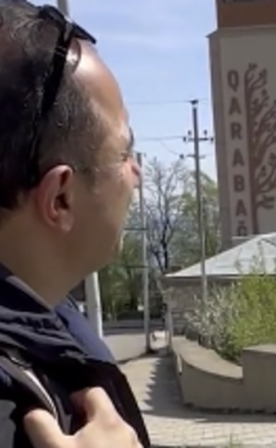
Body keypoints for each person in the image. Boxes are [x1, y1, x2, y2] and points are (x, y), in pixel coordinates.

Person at [0, 2, 149, 447]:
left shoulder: (47, 343)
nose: (137, 174)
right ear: (61, 198)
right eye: (124, 153)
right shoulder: (16, 413)